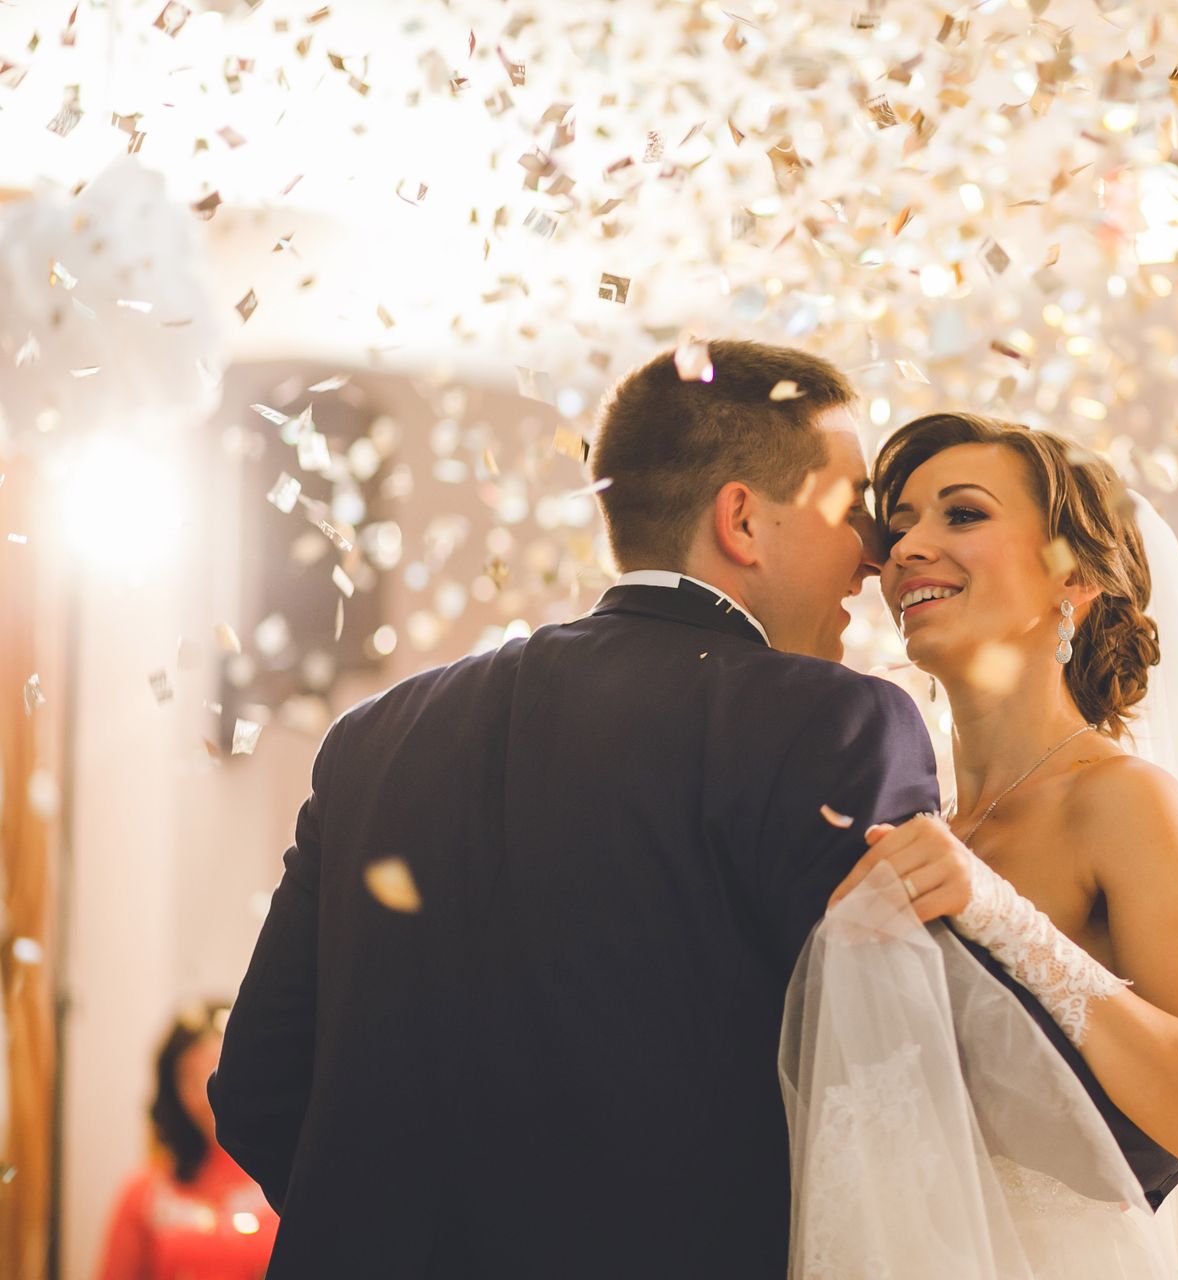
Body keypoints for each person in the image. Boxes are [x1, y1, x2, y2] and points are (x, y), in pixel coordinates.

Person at [212, 340, 951, 1277]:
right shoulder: (834, 724)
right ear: (743, 522)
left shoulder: (378, 733)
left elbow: (257, 1090)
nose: (876, 557)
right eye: (854, 511)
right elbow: (898, 1092)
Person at [783, 412, 1178, 1276]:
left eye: (961, 515)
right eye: (899, 526)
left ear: (1070, 579)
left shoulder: (1118, 799)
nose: (905, 549)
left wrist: (1007, 918)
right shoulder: (921, 818)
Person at [98, 1002, 278, 1280]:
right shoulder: (145, 1191)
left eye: (216, 1072)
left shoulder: (284, 1182)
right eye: (189, 1078)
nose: (205, 1095)